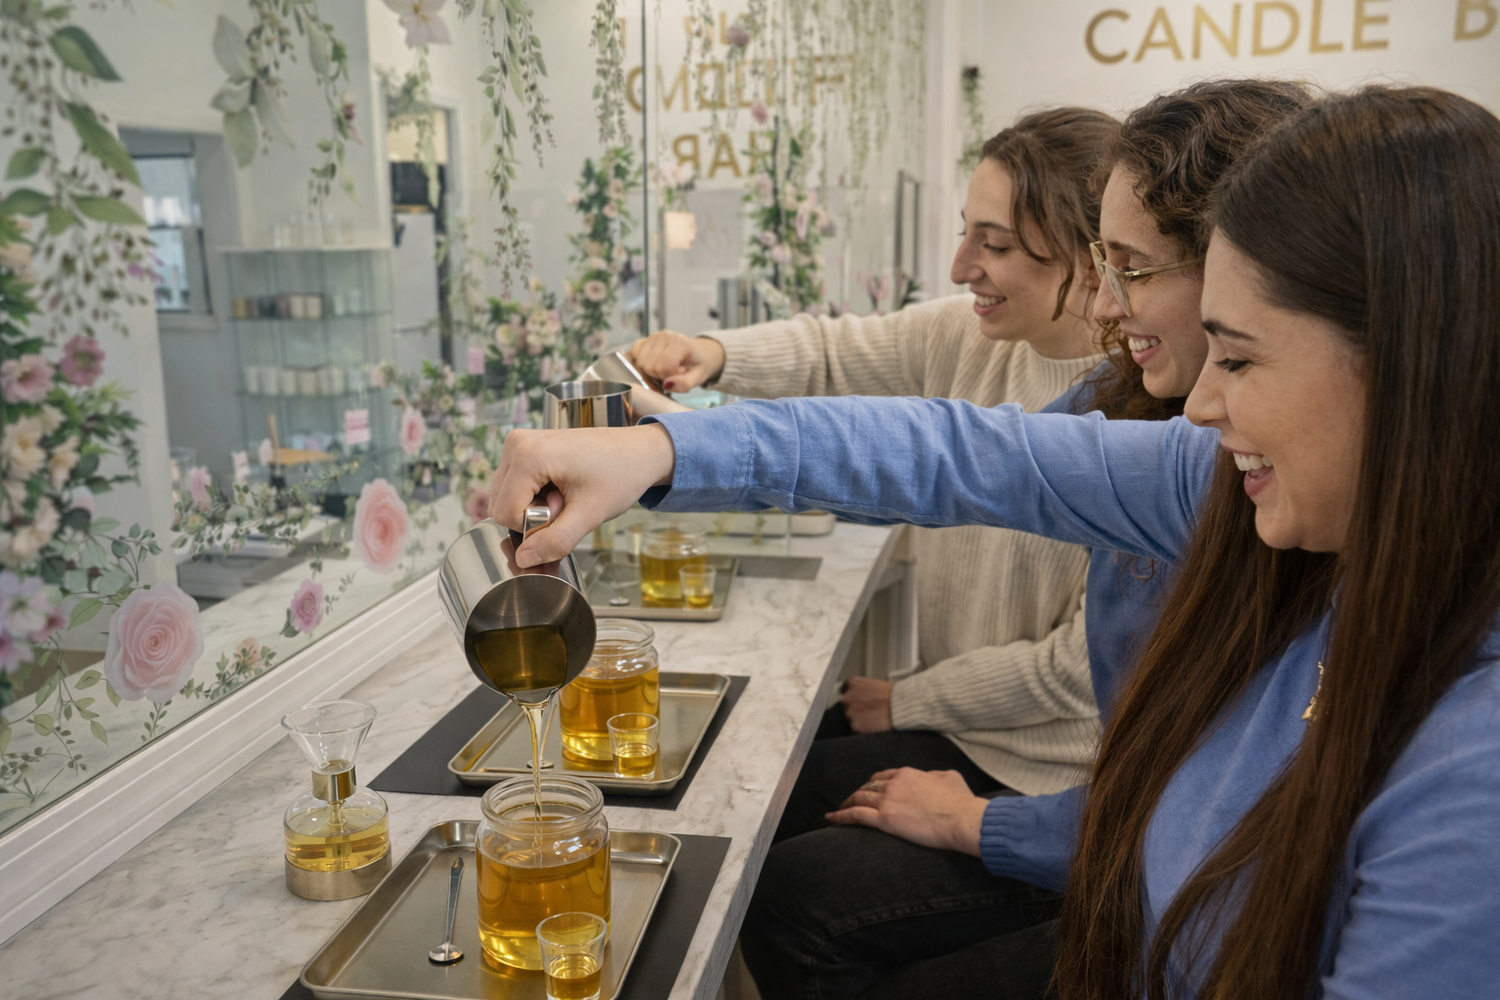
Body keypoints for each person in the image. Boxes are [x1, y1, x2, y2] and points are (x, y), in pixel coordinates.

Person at [492, 85, 1500, 997]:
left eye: (1237, 356)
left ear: (1413, 363)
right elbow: (958, 452)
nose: (1201, 403)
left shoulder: (1466, 777)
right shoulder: (1242, 499)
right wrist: (661, 450)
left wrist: (990, 821)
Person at [633, 108, 1119, 821]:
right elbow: (833, 353)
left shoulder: (1139, 418)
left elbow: (1078, 672)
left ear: (1090, 256)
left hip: (1043, 773)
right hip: (959, 720)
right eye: (965, 232)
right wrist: (712, 354)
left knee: (780, 859)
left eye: (997, 245)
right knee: (751, 770)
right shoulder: (970, 335)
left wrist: (906, 700)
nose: (961, 268)